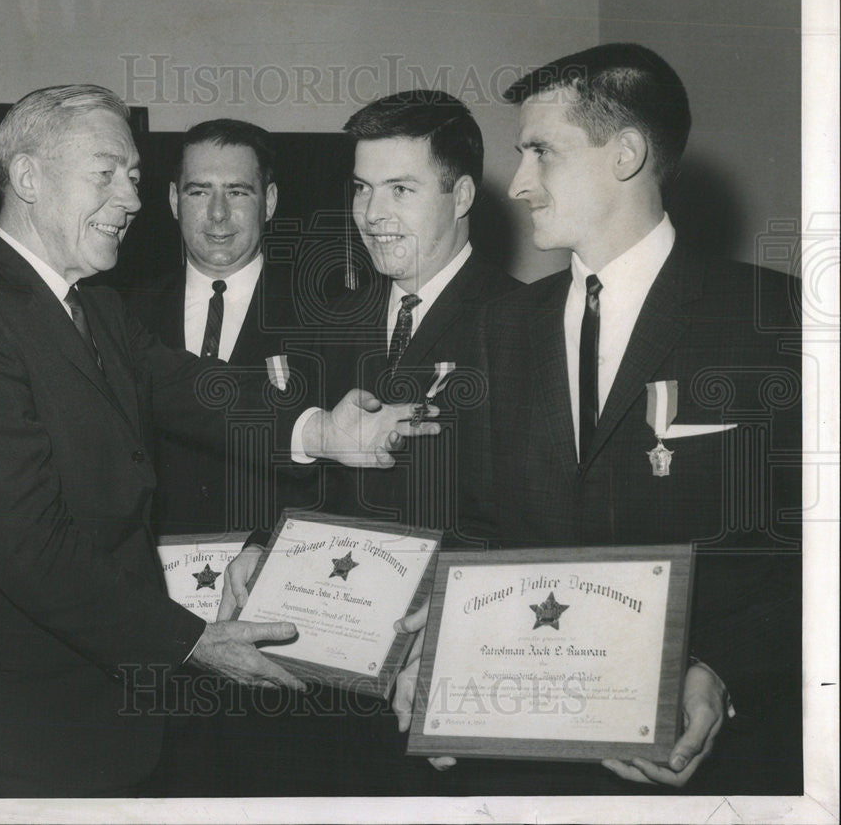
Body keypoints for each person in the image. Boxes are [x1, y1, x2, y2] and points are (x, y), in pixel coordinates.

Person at [0, 84, 439, 797]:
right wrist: (191, 640)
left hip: (100, 728)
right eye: (106, 174)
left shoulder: (91, 306)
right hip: (14, 742)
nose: (130, 199)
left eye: (134, 178)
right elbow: (25, 547)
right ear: (27, 178)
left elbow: (190, 388)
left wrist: (321, 431)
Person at [393, 44, 802, 794]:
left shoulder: (777, 319)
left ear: (626, 154)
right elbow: (478, 526)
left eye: (540, 153)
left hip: (711, 770)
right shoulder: (500, 327)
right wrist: (441, 650)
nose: (516, 185)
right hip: (524, 762)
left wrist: (722, 669)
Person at [211, 91, 519, 795]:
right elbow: (306, 472)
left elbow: (532, 516)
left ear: (462, 193)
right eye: (361, 189)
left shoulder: (519, 324)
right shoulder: (328, 323)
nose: (373, 215)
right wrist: (262, 540)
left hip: (438, 677)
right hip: (314, 685)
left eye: (401, 190)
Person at [129, 119, 302, 536]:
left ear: (270, 201)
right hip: (152, 577)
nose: (218, 213)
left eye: (238, 191)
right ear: (174, 200)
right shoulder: (126, 316)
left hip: (273, 573)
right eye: (199, 191)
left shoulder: (323, 317)